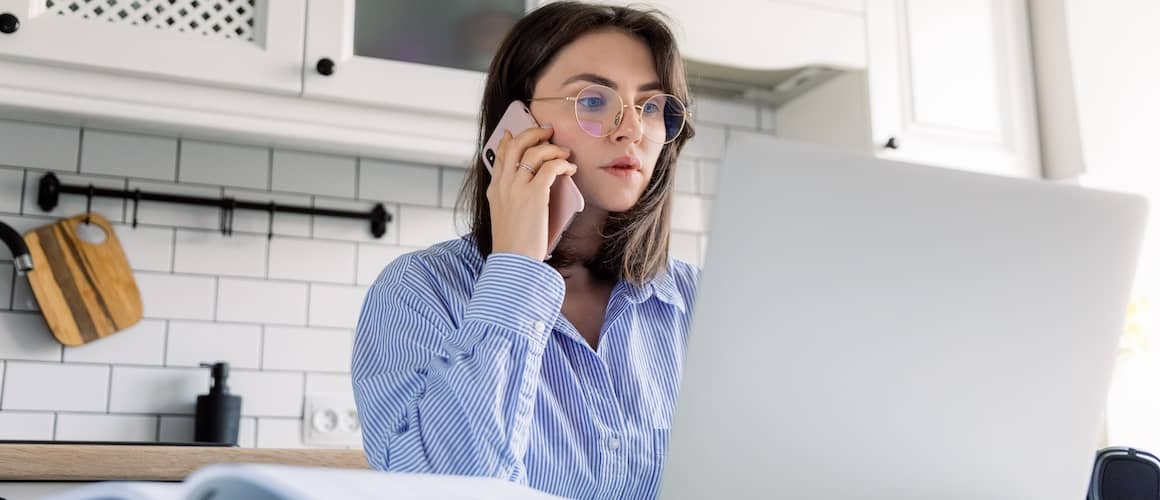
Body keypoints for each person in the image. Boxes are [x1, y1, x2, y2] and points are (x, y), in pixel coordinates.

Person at [352, 2, 699, 498]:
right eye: (594, 100)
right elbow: (443, 488)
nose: (633, 130)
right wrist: (516, 267)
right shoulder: (419, 291)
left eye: (650, 106)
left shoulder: (699, 303)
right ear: (516, 122)